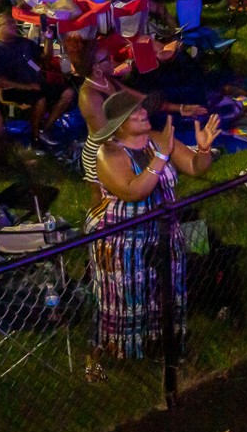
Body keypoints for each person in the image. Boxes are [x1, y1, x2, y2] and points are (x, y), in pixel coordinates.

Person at [86, 90, 217, 363]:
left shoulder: (158, 138)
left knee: (164, 291)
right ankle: (119, 353)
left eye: (142, 108)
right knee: (128, 296)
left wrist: (203, 150)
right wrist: (161, 157)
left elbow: (195, 167)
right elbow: (134, 191)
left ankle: (162, 345)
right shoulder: (109, 153)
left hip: (163, 230)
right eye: (134, 112)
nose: (143, 112)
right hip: (121, 237)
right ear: (119, 125)